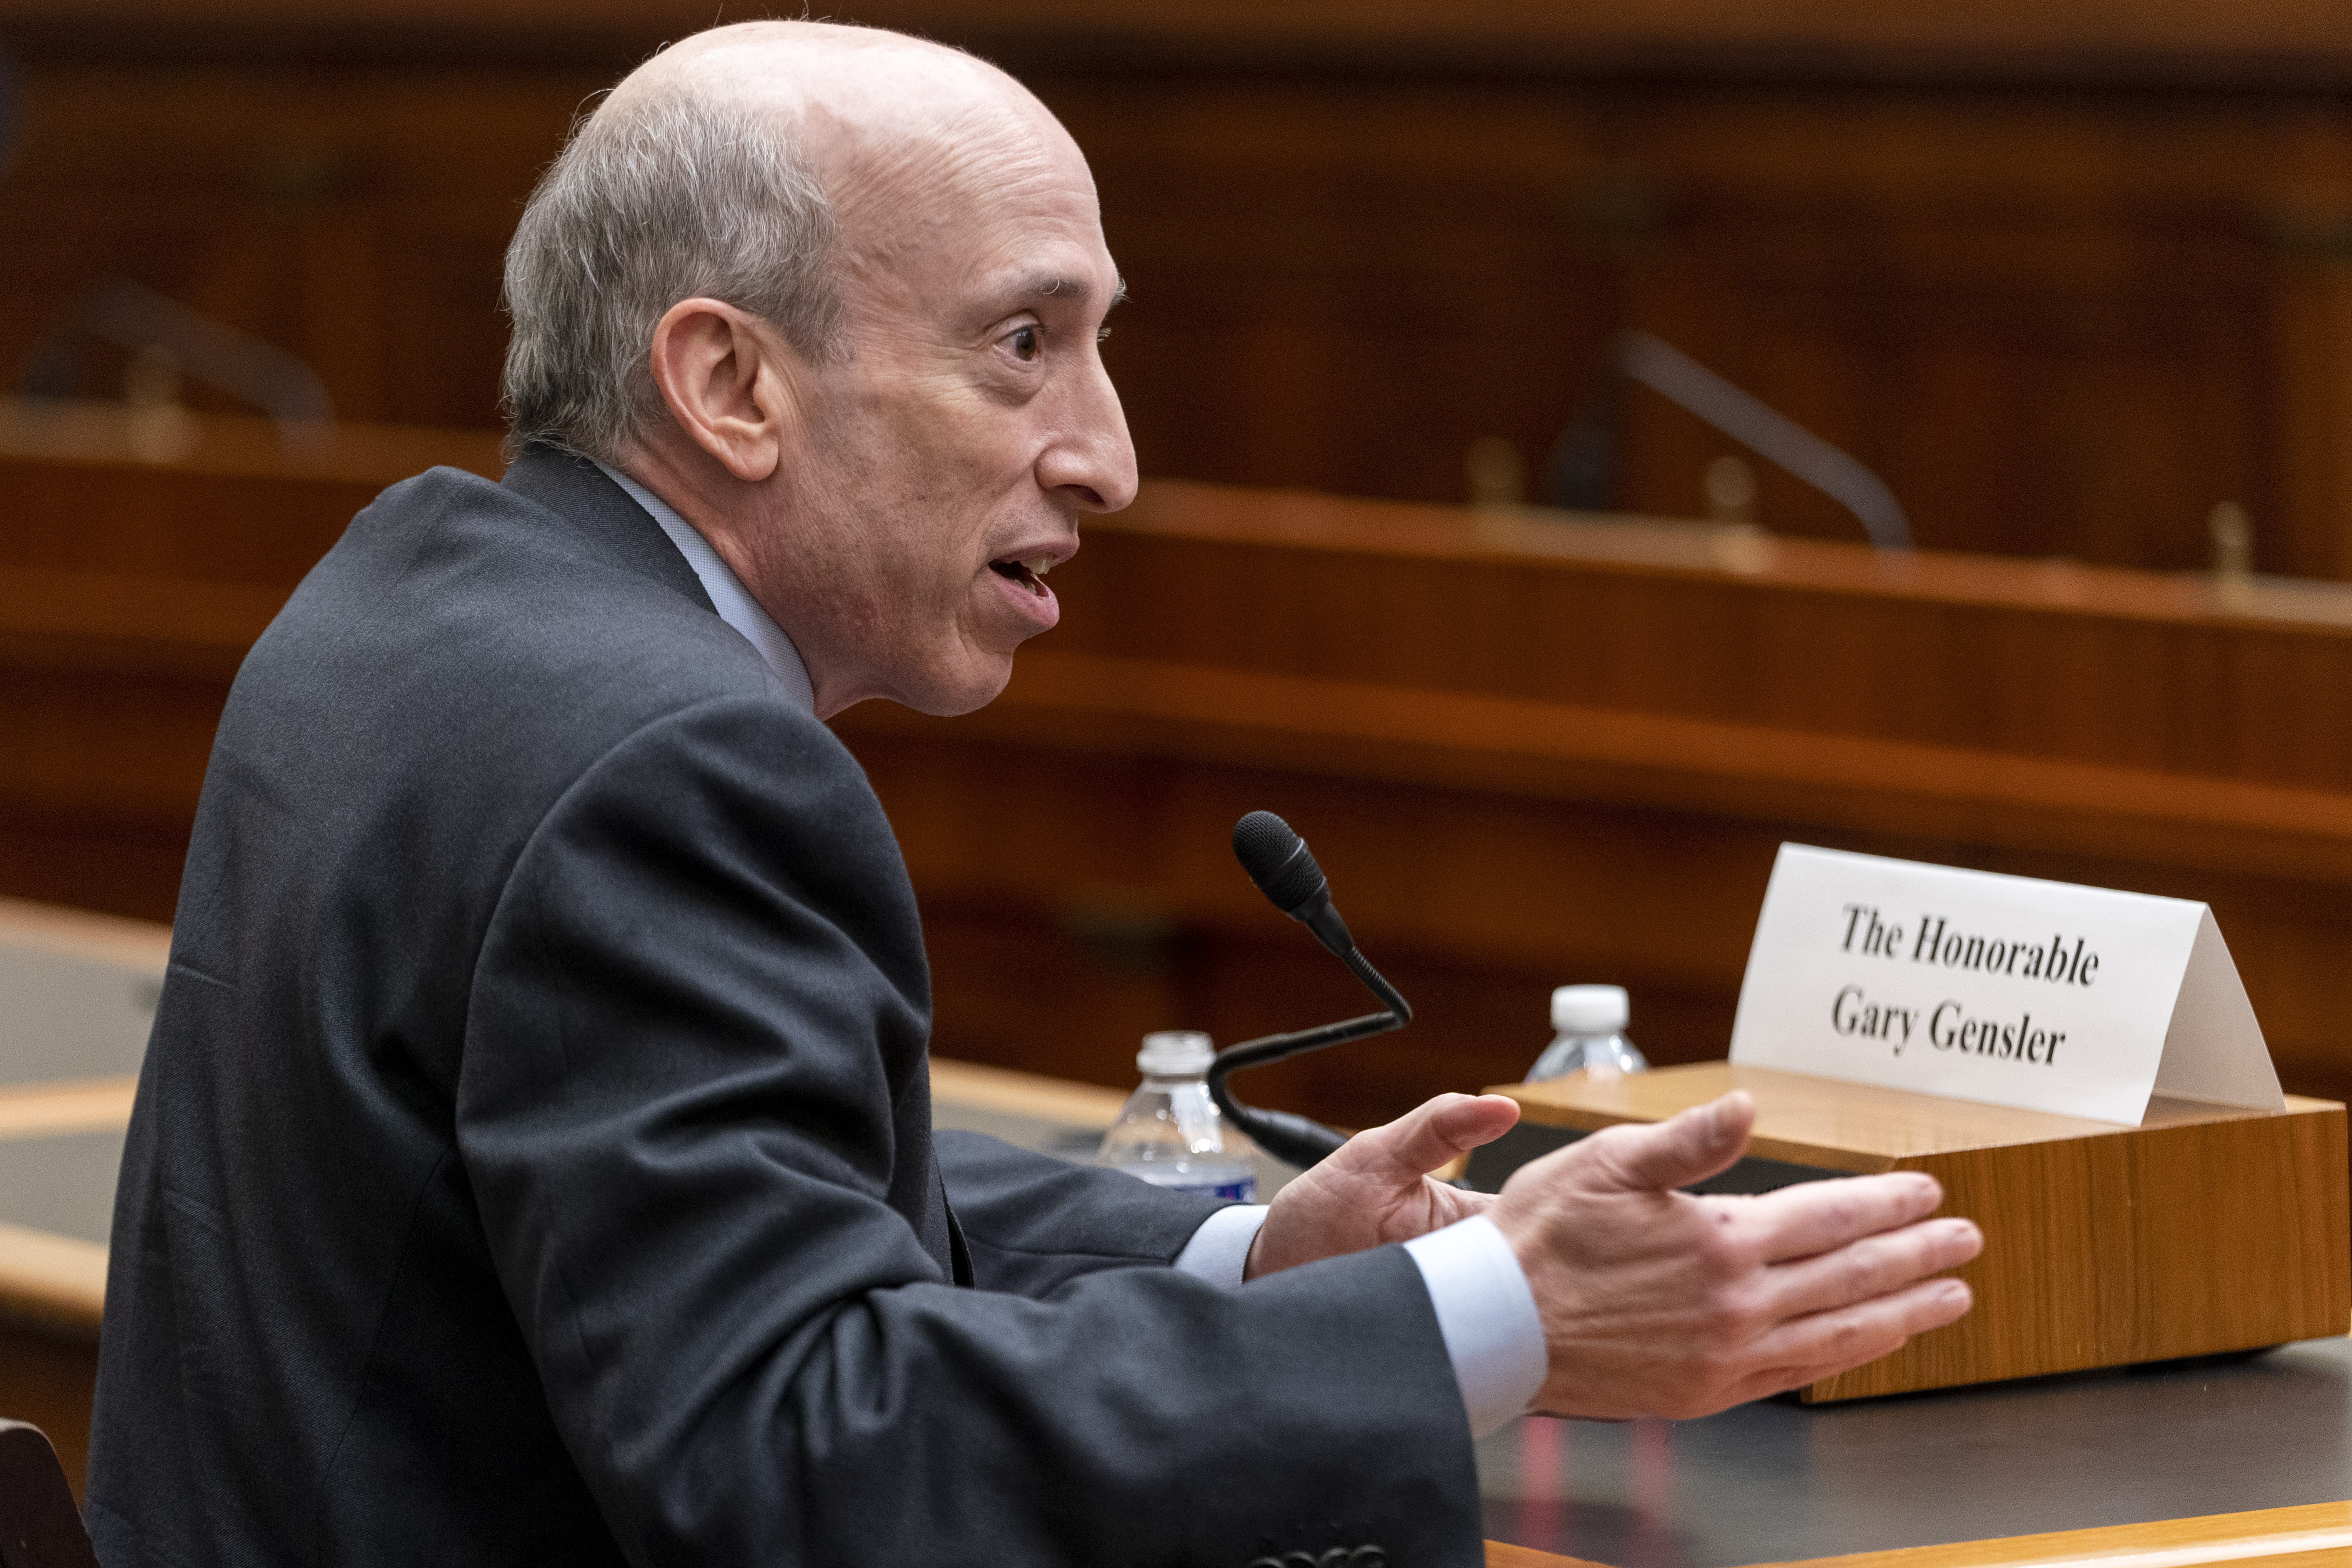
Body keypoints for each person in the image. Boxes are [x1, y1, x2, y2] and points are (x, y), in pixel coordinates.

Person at [86, 21, 1983, 1567]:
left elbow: (704, 1185)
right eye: (1022, 346)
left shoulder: (413, 603)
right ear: (729, 382)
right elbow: (815, 1461)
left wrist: (1247, 1246)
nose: (1110, 457)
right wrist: (1500, 1317)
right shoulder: (674, 761)